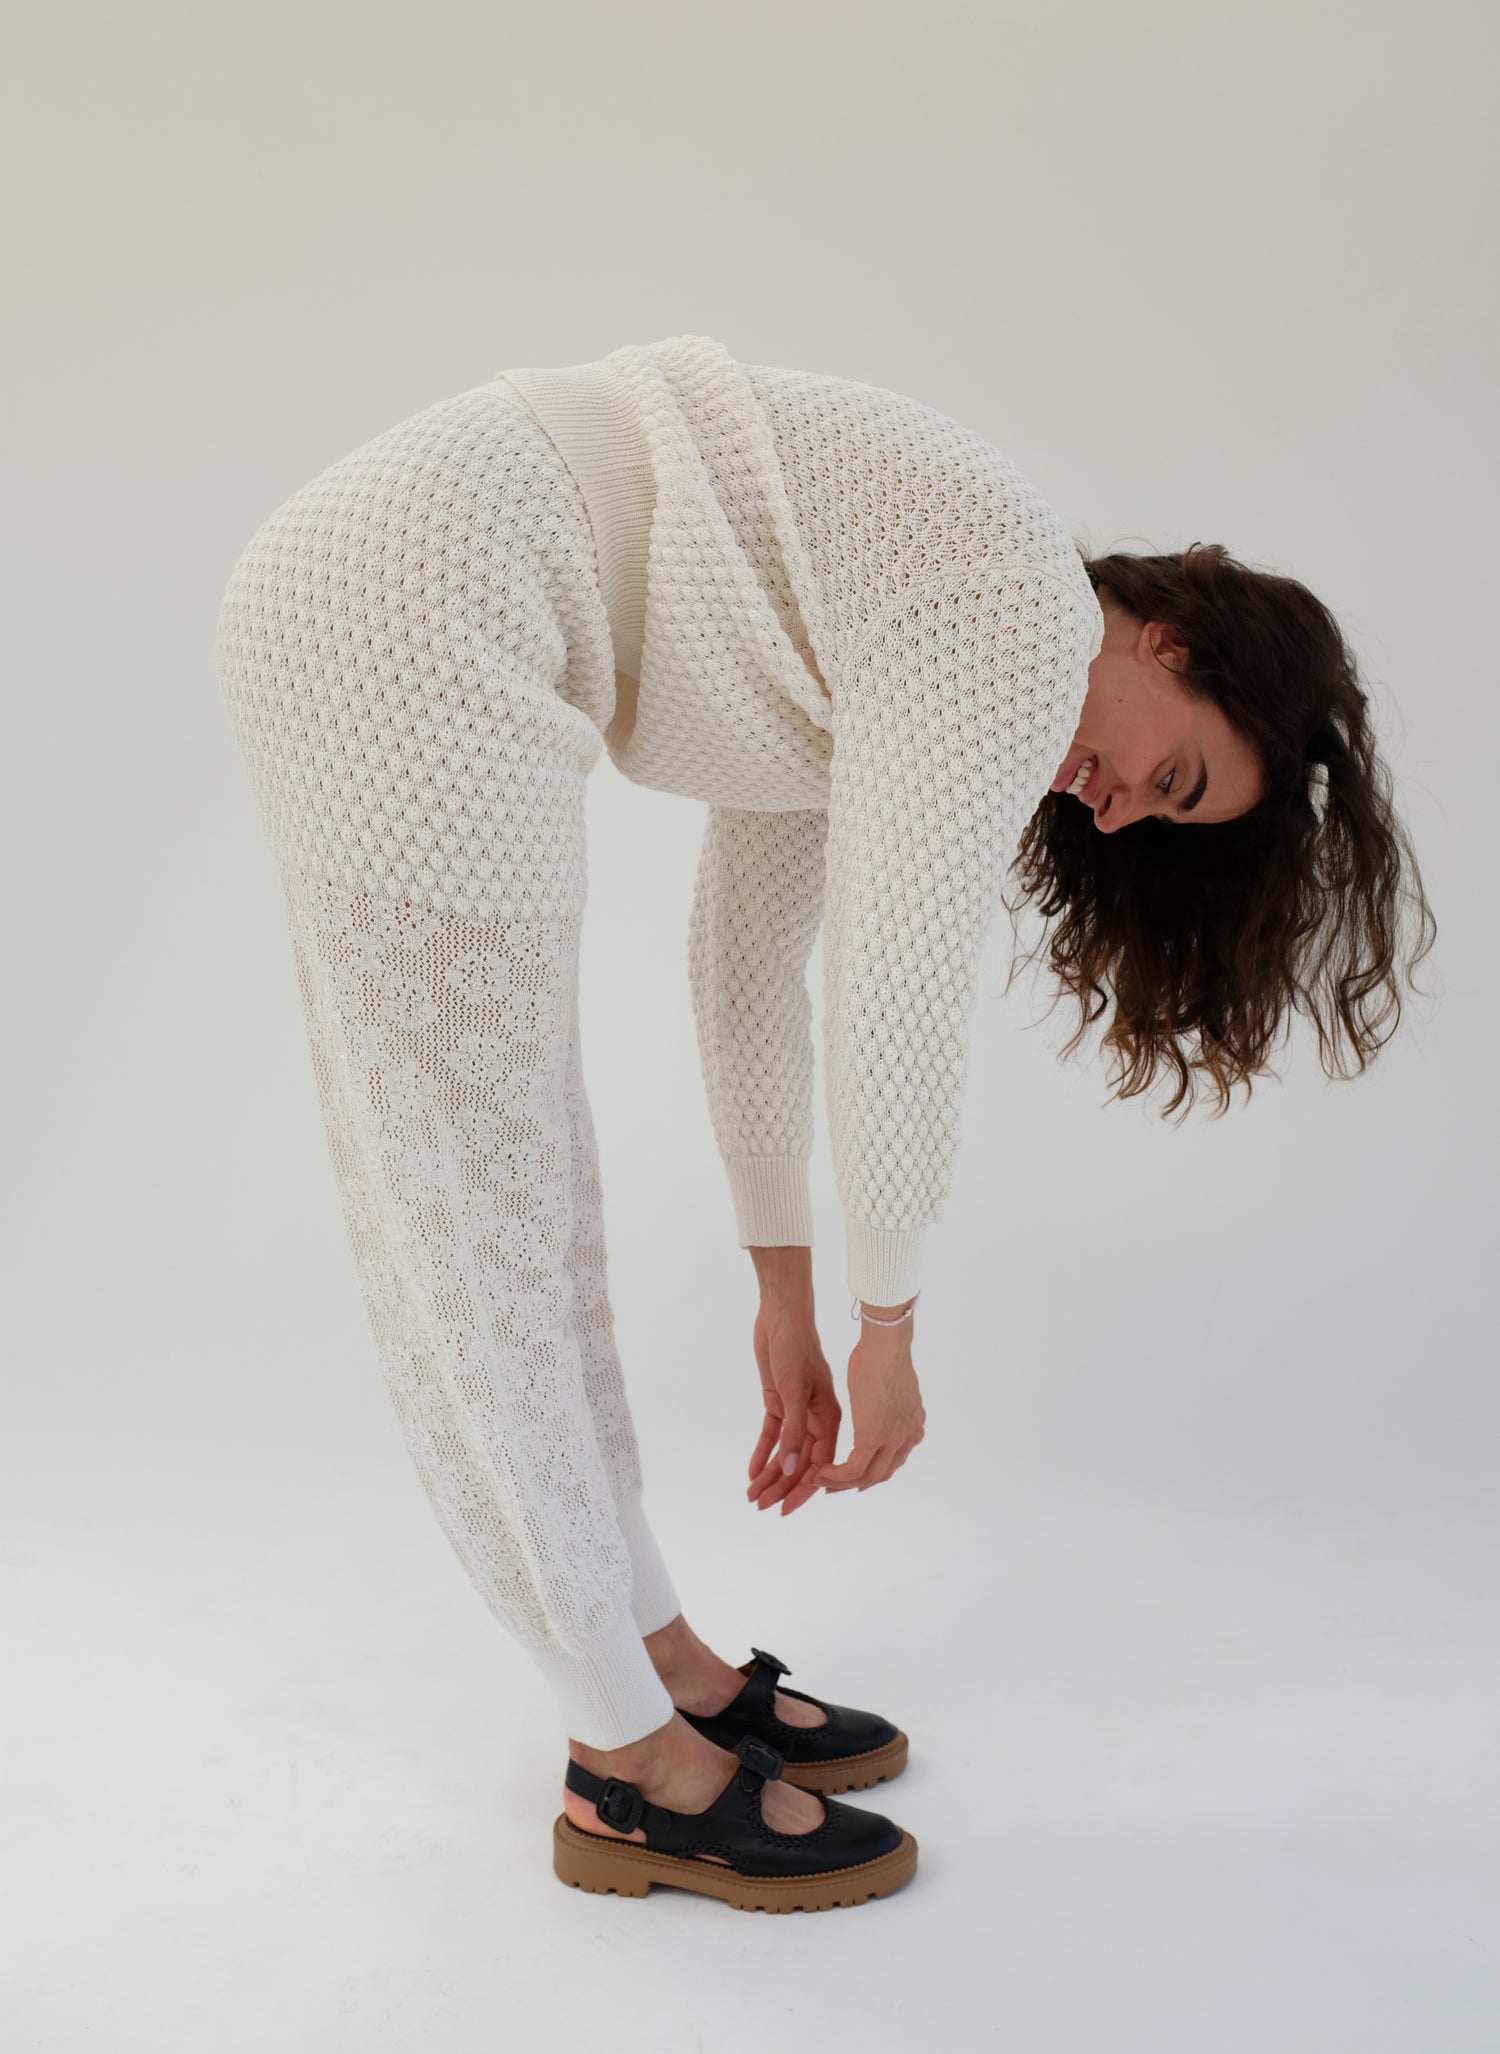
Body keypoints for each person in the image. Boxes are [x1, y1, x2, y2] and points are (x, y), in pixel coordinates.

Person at [213, 333, 1434, 1911]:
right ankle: (622, 1761)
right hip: (414, 598)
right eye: (1176, 775)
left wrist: (783, 1294)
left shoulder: (902, 633)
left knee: (523, 1185)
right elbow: (894, 991)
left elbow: (747, 969)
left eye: (1162, 816)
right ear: (1170, 638)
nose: (1119, 807)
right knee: (476, 1201)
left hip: (416, 586)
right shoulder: (1018, 615)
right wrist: (887, 1324)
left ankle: (657, 1656)